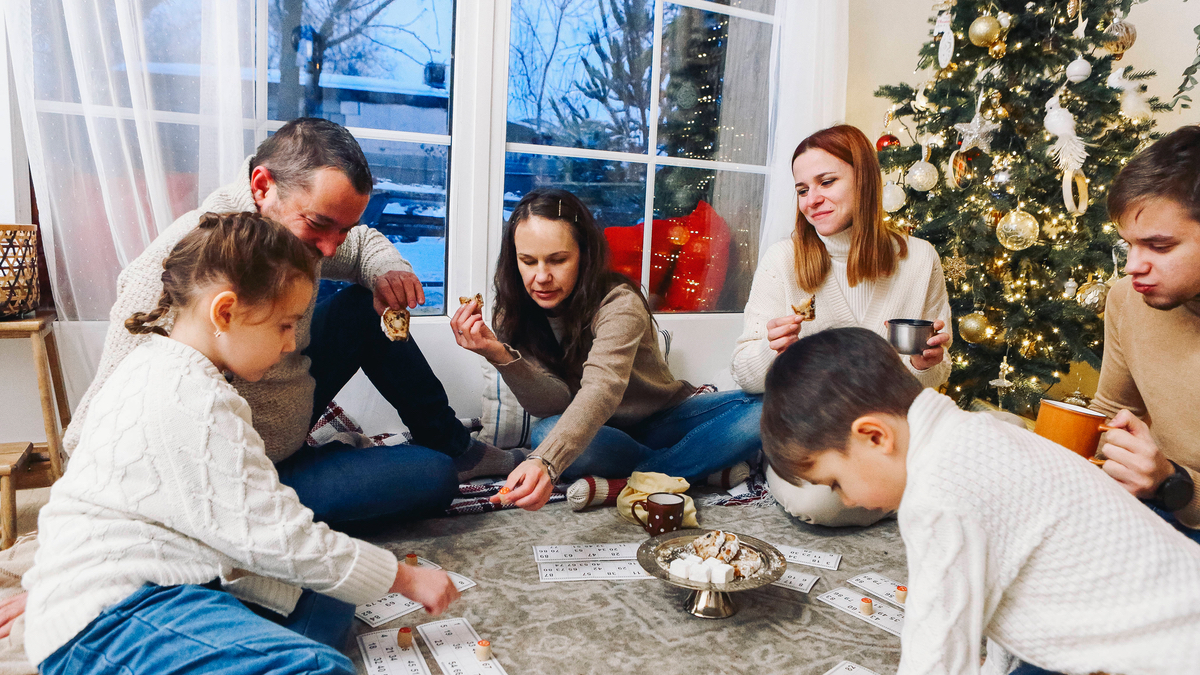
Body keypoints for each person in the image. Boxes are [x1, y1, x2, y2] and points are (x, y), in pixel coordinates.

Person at [24, 212, 460, 675]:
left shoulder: (159, 362)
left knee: (331, 596)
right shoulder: (196, 399)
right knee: (319, 667)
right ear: (225, 312)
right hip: (113, 617)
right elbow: (276, 535)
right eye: (284, 326)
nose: (292, 344)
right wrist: (403, 577)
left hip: (172, 579)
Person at [64, 118, 521, 528]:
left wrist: (387, 269)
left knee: (362, 307)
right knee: (431, 477)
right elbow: (93, 429)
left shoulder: (298, 233)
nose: (329, 247)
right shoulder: (186, 266)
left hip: (291, 417)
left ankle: (456, 446)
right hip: (248, 475)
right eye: (320, 226)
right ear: (262, 186)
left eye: (340, 230)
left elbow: (361, 243)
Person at [761, 327, 1200, 675]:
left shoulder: (938, 493)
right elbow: (1008, 593)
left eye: (836, 482)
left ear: (875, 436)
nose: (846, 498)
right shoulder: (982, 432)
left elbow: (936, 654)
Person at [449, 189, 762, 511]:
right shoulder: (511, 312)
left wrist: (545, 463)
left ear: (584, 255)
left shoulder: (619, 302)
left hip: (663, 418)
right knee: (546, 433)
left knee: (768, 409)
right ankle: (691, 469)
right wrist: (501, 356)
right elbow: (553, 404)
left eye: (558, 260)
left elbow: (602, 388)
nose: (541, 277)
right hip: (598, 434)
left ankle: (630, 482)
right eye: (528, 261)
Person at [731, 124, 951, 526]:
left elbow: (933, 379)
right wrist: (771, 350)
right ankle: (896, 492)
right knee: (826, 505)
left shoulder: (919, 259)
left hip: (889, 433)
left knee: (992, 441)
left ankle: (893, 488)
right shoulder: (784, 260)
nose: (812, 200)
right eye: (802, 189)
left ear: (864, 180)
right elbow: (745, 376)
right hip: (818, 432)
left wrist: (926, 364)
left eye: (826, 182)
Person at [1089, 125, 1200, 545]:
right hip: (1158, 506)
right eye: (1128, 244)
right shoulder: (1127, 300)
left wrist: (1172, 483)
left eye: (1160, 246)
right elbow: (1112, 410)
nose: (1134, 266)